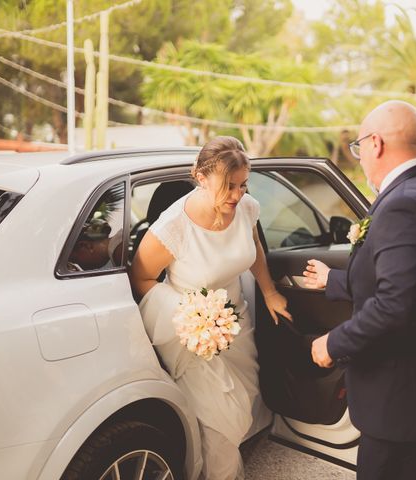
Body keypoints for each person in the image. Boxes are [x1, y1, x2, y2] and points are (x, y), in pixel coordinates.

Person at [303, 101, 416, 480]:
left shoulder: (402, 205)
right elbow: (413, 284)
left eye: (359, 148)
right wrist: (335, 279)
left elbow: (396, 305)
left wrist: (333, 343)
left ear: (375, 143)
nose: (360, 159)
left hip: (405, 405)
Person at [129, 136, 291, 480]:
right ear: (200, 177)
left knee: (242, 402)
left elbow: (255, 247)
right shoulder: (173, 227)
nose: (237, 195)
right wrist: (190, 315)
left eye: (243, 185)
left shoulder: (247, 208)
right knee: (215, 417)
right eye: (229, 186)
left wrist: (270, 291)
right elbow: (140, 278)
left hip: (236, 322)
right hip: (189, 332)